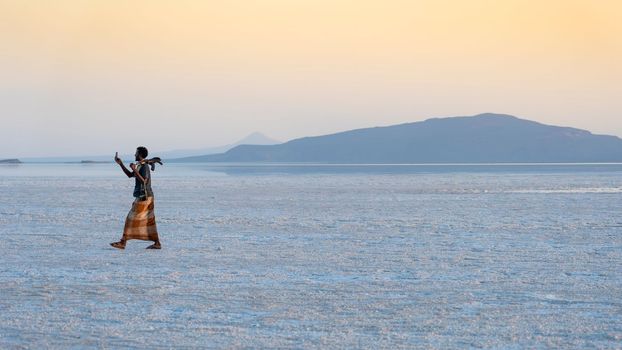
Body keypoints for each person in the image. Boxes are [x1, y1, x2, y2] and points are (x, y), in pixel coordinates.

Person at [110, 147, 162, 249]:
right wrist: (120, 164)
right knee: (149, 220)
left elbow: (144, 181)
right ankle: (157, 243)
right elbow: (130, 175)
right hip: (143, 196)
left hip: (145, 197)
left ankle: (123, 242)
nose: (134, 155)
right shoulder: (140, 165)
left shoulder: (144, 167)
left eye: (136, 153)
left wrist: (134, 169)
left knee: (130, 218)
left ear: (140, 155)